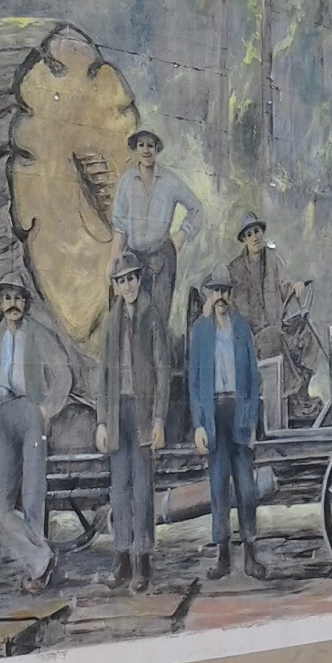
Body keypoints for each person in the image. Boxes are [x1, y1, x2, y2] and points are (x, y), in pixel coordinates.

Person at [0, 270, 73, 595]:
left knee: (32, 498)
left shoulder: (39, 335)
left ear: (25, 302)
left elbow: (63, 374)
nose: (12, 304)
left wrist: (47, 409)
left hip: (32, 413)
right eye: (6, 298)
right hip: (4, 416)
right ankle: (42, 557)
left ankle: (37, 572)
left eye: (17, 297)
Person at [188, 264, 270, 581]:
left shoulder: (241, 328)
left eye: (225, 291)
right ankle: (223, 556)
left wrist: (250, 421)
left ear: (231, 295)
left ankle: (251, 556)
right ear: (209, 293)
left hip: (239, 412)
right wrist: (198, 425)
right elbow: (194, 383)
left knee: (247, 490)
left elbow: (253, 376)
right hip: (213, 414)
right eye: (216, 290)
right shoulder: (201, 331)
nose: (221, 296)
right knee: (219, 486)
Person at [96, 251, 169, 592]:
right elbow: (103, 376)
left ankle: (143, 561)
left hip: (142, 412)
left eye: (131, 278)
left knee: (142, 489)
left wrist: (158, 419)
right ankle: (122, 558)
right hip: (117, 412)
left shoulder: (151, 317)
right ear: (115, 287)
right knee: (119, 490)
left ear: (140, 280)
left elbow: (162, 371)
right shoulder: (110, 323)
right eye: (121, 280)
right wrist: (101, 421)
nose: (127, 286)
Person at [227, 211, 317, 425]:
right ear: (244, 239)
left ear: (262, 232)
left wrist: (295, 286)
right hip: (253, 338)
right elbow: (236, 309)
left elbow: (285, 286)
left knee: (308, 332)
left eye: (257, 231)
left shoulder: (273, 259)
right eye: (249, 234)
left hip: (278, 329)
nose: (254, 237)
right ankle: (296, 397)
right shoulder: (236, 269)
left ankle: (302, 391)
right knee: (274, 336)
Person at [109, 128, 203, 331]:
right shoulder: (126, 182)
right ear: (136, 148)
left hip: (162, 258)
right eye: (141, 145)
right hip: (134, 259)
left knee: (158, 319)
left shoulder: (170, 181)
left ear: (157, 149)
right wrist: (113, 267)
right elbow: (119, 227)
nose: (146, 150)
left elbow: (196, 208)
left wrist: (181, 236)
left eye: (150, 145)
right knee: (133, 319)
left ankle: (158, 361)